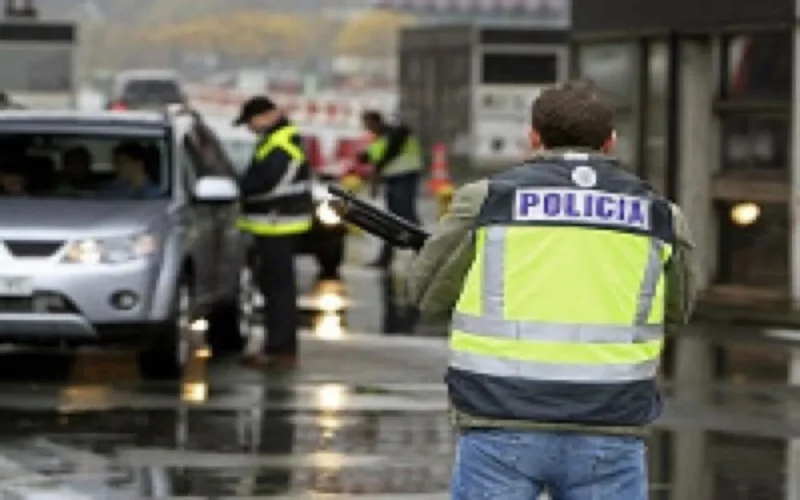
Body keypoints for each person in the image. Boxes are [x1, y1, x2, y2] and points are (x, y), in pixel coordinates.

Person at [407, 80, 698, 499]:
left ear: (534, 138)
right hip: (611, 421)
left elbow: (427, 295)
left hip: (500, 416)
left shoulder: (486, 200)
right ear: (611, 142)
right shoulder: (660, 215)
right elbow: (678, 309)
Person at [234, 95, 313, 370]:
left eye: (251, 121)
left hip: (278, 224)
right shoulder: (274, 140)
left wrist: (241, 191)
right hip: (272, 224)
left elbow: (269, 183)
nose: (249, 127)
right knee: (273, 290)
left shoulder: (283, 143)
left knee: (279, 292)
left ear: (267, 115)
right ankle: (275, 346)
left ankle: (280, 350)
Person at [358, 110, 423, 269]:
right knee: (391, 220)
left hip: (405, 177)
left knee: (407, 217)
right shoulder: (381, 138)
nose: (366, 128)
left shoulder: (397, 133)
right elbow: (372, 157)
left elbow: (388, 154)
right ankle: (386, 259)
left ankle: (423, 254)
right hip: (394, 179)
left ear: (376, 121)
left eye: (367, 123)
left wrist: (376, 172)